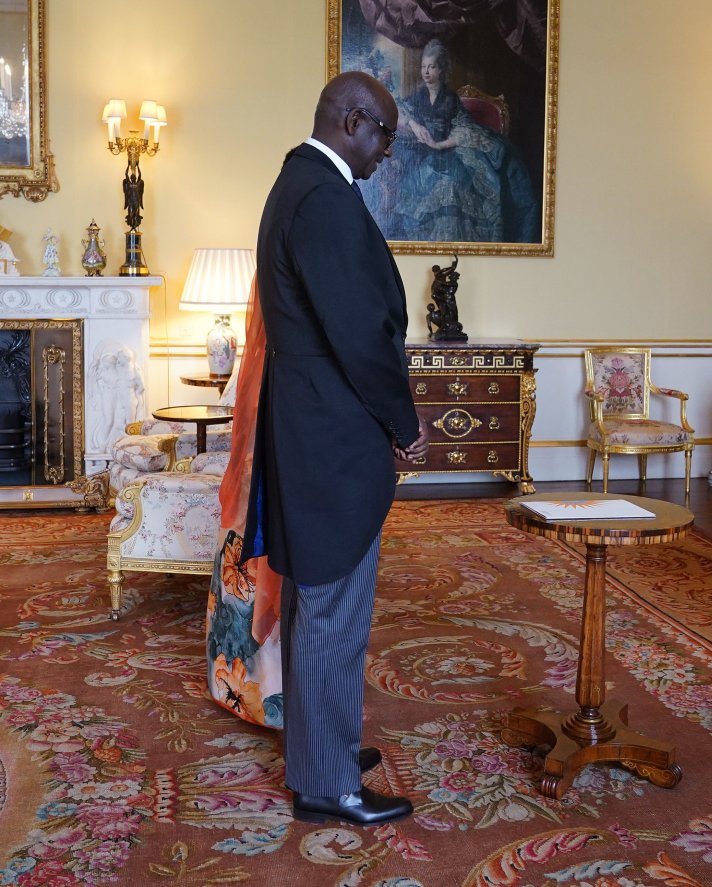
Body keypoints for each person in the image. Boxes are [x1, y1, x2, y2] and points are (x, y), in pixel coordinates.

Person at [243, 70, 429, 827]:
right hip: (331, 434)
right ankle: (328, 787)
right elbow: (358, 330)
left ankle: (322, 750)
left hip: (308, 423)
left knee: (315, 599)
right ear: (352, 120)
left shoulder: (299, 181)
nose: (388, 150)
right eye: (384, 133)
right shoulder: (322, 195)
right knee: (332, 608)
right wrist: (403, 419)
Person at [387, 38, 537, 243]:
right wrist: (414, 125)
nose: (426, 72)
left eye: (432, 67)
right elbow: (400, 112)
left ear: (441, 70)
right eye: (423, 67)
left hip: (448, 150)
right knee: (407, 180)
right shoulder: (418, 96)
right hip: (420, 152)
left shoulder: (450, 98)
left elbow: (462, 129)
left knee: (452, 184)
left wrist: (439, 144)